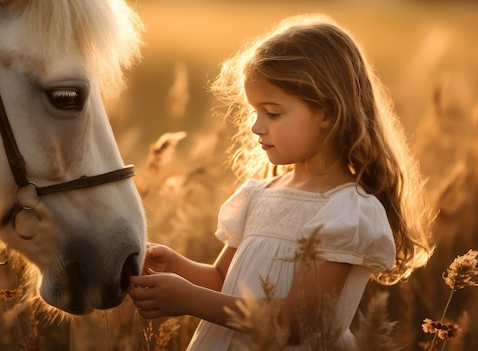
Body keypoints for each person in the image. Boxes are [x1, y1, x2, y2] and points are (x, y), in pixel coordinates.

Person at [128, 13, 434, 350]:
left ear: (328, 113)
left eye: (272, 112)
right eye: (254, 112)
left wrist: (190, 300)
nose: (256, 126)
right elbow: (222, 282)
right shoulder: (259, 195)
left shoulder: (346, 212)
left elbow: (295, 324)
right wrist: (176, 265)